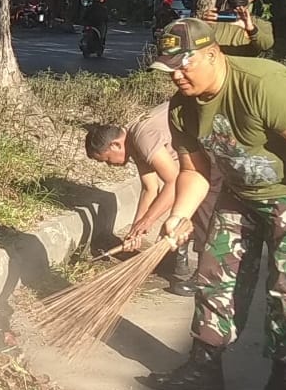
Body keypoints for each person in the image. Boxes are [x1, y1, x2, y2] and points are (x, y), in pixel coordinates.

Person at [140, 20, 286, 390]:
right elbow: (195, 170)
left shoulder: (263, 83)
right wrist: (178, 216)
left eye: (185, 66)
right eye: (169, 70)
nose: (177, 77)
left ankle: (281, 389)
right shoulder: (184, 107)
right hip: (240, 193)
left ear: (214, 54)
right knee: (216, 276)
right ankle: (204, 366)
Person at [84, 102, 220, 295]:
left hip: (212, 146)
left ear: (115, 145)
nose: (109, 165)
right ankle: (176, 261)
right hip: (197, 152)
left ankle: (205, 277)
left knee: (202, 207)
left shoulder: (141, 137)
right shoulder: (132, 139)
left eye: (106, 159)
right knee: (186, 205)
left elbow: (173, 183)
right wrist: (135, 232)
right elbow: (150, 188)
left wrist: (148, 220)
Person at [200, 0, 275, 55]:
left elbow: (266, 45)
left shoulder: (261, 23)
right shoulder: (214, 18)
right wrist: (202, 27)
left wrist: (251, 29)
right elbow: (198, 43)